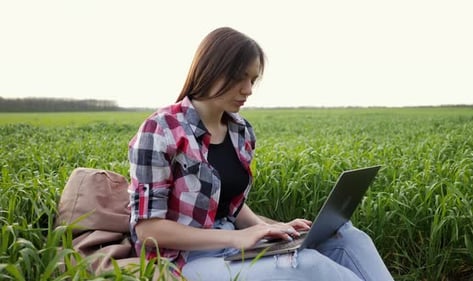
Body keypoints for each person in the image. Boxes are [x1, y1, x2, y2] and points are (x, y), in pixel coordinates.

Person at [128, 26, 393, 281]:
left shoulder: (240, 130)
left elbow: (229, 204)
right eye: (239, 78)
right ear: (210, 70)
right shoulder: (160, 129)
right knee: (308, 266)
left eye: (252, 80)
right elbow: (148, 230)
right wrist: (236, 237)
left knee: (347, 236)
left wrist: (269, 227)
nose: (248, 90)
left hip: (231, 248)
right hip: (183, 261)